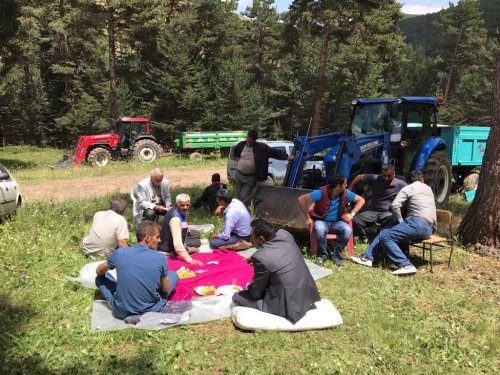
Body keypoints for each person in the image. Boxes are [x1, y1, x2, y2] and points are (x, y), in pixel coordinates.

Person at [232, 218, 321, 324]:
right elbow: (276, 254)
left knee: (238, 297)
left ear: (261, 239)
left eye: (252, 238)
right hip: (307, 294)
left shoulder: (260, 258)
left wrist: (250, 286)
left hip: (290, 306)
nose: (251, 240)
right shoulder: (285, 234)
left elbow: (256, 294)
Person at [351, 170, 437, 276]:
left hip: (417, 224)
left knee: (386, 236)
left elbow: (395, 205)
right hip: (429, 227)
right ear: (422, 179)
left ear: (408, 181)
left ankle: (405, 265)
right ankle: (368, 258)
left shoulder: (408, 188)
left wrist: (401, 221)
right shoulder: (428, 188)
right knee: (385, 231)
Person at [95, 221, 179, 319]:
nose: (159, 240)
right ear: (147, 238)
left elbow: (99, 271)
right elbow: (165, 288)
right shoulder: (160, 258)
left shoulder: (120, 253)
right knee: (173, 275)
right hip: (151, 310)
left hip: (122, 311)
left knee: (100, 278)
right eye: (157, 237)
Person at [298, 173, 365, 266]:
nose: (346, 186)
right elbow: (301, 199)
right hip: (321, 221)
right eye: (345, 184)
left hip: (337, 222)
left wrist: (352, 214)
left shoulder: (346, 193)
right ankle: (323, 255)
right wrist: (308, 217)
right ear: (338, 186)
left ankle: (336, 255)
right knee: (320, 229)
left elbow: (361, 200)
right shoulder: (321, 192)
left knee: (347, 230)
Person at [233, 130, 294, 205]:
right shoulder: (241, 145)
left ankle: (241, 210)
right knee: (239, 195)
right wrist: (236, 157)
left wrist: (286, 156)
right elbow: (235, 151)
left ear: (255, 140)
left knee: (243, 196)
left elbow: (273, 152)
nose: (249, 141)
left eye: (251, 140)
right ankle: (241, 209)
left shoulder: (261, 147)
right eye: (248, 139)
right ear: (247, 137)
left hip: (250, 178)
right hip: (239, 174)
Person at [348, 164, 407, 242]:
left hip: (388, 212)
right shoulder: (376, 178)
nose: (386, 178)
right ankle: (367, 235)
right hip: (373, 211)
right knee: (355, 221)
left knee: (393, 217)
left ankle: (381, 236)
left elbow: (410, 192)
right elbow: (359, 177)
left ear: (394, 174)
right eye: (384, 175)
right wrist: (350, 189)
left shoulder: (401, 184)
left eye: (389, 176)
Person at [158, 194, 203, 266]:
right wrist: (190, 260)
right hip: (169, 248)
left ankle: (186, 247)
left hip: (171, 237)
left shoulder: (176, 210)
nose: (185, 207)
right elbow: (178, 245)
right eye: (182, 205)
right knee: (197, 242)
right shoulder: (175, 219)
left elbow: (183, 222)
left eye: (187, 205)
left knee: (196, 234)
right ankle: (187, 249)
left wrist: (187, 230)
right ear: (177, 204)